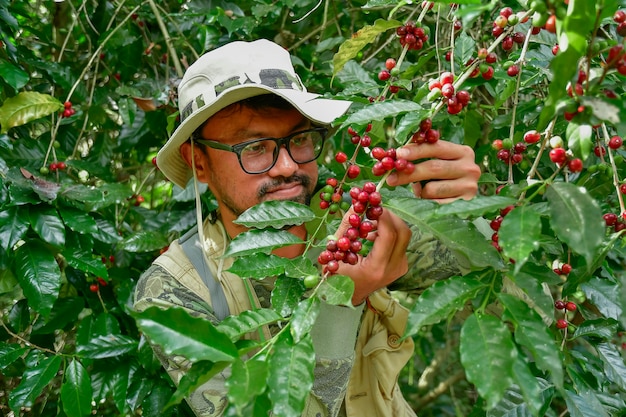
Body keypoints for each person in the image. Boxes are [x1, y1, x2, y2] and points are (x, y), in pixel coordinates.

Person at [134, 39, 480, 417]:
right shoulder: (175, 290)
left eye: (299, 139)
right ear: (198, 161)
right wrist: (342, 299)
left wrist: (468, 207)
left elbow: (493, 265)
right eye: (254, 147)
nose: (286, 166)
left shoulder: (354, 226)